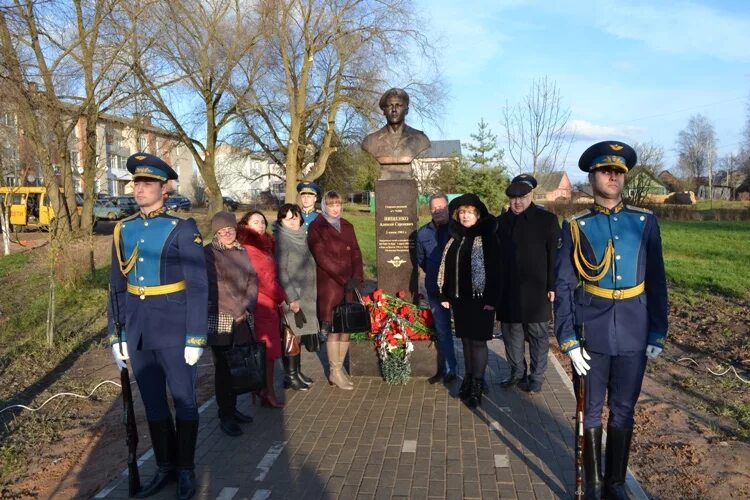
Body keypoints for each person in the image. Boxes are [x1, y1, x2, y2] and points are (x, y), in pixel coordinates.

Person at [555, 141, 668, 499]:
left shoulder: (644, 222)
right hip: (592, 333)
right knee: (589, 413)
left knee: (623, 410)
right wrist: (568, 340)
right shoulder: (576, 226)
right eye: (606, 171)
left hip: (634, 331)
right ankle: (591, 485)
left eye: (618, 172)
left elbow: (657, 279)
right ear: (592, 177)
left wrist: (657, 330)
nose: (613, 177)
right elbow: (564, 285)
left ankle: (615, 484)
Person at [108, 153, 207, 500]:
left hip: (175, 329)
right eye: (136, 183)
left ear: (164, 189)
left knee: (184, 401)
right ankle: (164, 467)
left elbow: (198, 285)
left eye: (147, 183)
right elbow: (116, 285)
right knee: (152, 403)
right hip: (138, 330)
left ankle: (185, 470)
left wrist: (196, 336)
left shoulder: (182, 228)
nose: (139, 189)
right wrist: (116, 333)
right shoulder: (125, 228)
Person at [496, 174, 560, 394]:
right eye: (513, 197)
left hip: (537, 290)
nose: (517, 201)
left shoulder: (547, 221)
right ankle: (516, 373)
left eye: (522, 196)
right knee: (511, 335)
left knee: (538, 336)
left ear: (531, 195)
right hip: (508, 290)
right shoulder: (500, 222)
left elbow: (554, 256)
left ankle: (537, 376)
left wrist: (552, 285)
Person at [437, 193, 500, 408]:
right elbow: (446, 268)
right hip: (460, 299)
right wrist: (444, 295)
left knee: (478, 342)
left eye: (469, 212)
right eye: (462, 212)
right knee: (465, 340)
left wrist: (492, 298)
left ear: (478, 215)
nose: (465, 216)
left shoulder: (488, 237)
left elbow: (496, 270)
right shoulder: (455, 237)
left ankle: (477, 385)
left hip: (481, 300)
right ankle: (469, 379)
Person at [204, 211, 258, 437]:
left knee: (238, 366)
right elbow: (216, 285)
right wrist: (237, 309)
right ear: (216, 232)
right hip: (222, 318)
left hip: (242, 316)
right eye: (222, 230)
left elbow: (252, 279)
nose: (227, 233)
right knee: (223, 371)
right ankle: (224, 415)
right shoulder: (209, 253)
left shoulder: (241, 250)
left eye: (230, 229)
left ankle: (233, 409)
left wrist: (247, 305)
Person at [307, 191, 364, 390]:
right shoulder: (317, 227)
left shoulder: (347, 226)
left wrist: (357, 278)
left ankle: (338, 370)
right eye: (331, 205)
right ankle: (334, 370)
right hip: (330, 284)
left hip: (350, 284)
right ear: (324, 206)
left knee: (346, 327)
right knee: (333, 329)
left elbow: (356, 253)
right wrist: (343, 279)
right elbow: (321, 257)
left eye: (338, 204)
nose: (335, 208)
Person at [238, 210, 286, 408]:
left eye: (262, 222)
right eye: (255, 222)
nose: (260, 225)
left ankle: (263, 390)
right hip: (262, 305)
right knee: (266, 351)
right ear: (246, 225)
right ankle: (267, 392)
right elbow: (264, 280)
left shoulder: (263, 245)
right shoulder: (251, 248)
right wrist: (282, 299)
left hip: (267, 305)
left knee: (267, 351)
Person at [273, 203, 319, 390]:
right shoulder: (282, 239)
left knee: (297, 336)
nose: (293, 221)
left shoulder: (301, 236)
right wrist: (292, 298)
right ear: (281, 221)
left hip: (305, 295)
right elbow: (281, 271)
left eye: (296, 216)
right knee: (291, 336)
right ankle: (290, 376)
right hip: (293, 296)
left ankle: (296, 372)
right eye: (288, 218)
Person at [415, 192, 457, 384]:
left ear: (447, 207)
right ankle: (449, 369)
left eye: (441, 207)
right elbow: (422, 260)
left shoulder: (458, 229)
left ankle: (474, 375)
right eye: (434, 208)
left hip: (459, 289)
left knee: (465, 332)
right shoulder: (423, 233)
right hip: (436, 290)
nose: (438, 211)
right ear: (430, 209)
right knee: (442, 330)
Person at [361, 88, 431, 179]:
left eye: (398, 105)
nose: (394, 109)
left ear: (406, 110)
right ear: (384, 111)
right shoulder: (370, 141)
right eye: (390, 105)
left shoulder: (420, 139)